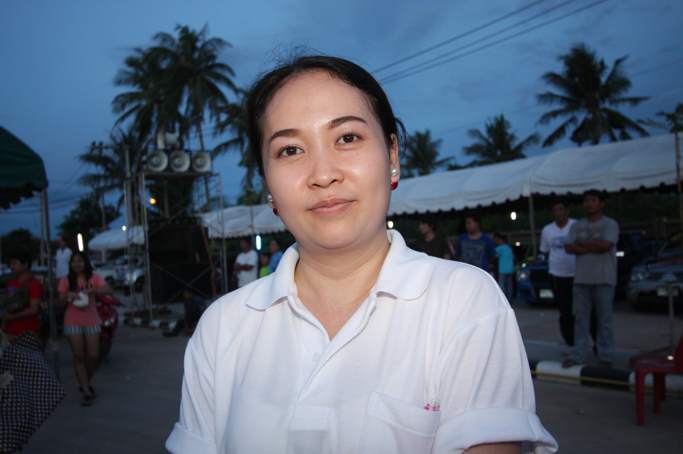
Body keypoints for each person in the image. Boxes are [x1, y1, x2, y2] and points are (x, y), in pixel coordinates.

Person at [166, 55, 556, 453]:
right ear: (268, 183)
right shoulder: (222, 327)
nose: (323, 174)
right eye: (290, 150)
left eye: (347, 138)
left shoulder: (463, 300)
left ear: (392, 156)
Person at [562, 191, 619, 368]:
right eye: (586, 200)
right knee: (580, 319)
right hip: (581, 280)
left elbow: (606, 245)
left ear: (601, 203)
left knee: (604, 320)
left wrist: (582, 245)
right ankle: (578, 354)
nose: (589, 204)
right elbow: (568, 247)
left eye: (593, 200)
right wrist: (595, 245)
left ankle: (606, 355)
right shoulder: (577, 225)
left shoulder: (610, 224)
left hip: (604, 278)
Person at [58, 251, 112, 406]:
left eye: (80, 261)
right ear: (70, 264)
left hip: (92, 319)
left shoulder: (94, 277)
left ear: (85, 262)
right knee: (78, 355)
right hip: (72, 320)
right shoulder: (66, 280)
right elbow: (60, 302)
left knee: (94, 355)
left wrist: (94, 290)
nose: (77, 264)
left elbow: (109, 290)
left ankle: (84, 382)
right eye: (74, 261)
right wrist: (68, 295)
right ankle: (86, 390)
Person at [540, 201, 577, 346]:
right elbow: (545, 250)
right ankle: (570, 340)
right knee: (564, 309)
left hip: (577, 274)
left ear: (567, 211)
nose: (558, 213)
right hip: (557, 274)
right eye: (555, 210)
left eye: (561, 209)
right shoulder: (547, 230)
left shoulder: (576, 225)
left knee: (581, 310)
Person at [2, 249, 43, 342]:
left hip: (27, 334)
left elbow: (33, 309)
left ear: (25, 265)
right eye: (10, 264)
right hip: (9, 332)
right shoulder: (10, 283)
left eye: (14, 263)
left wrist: (12, 317)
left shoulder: (34, 284)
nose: (11, 266)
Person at [493, 232, 515, 302]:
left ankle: (503, 300)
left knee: (502, 286)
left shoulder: (499, 248)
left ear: (499, 239)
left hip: (502, 269)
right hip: (510, 269)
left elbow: (494, 255)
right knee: (509, 286)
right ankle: (509, 299)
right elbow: (514, 257)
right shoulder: (509, 248)